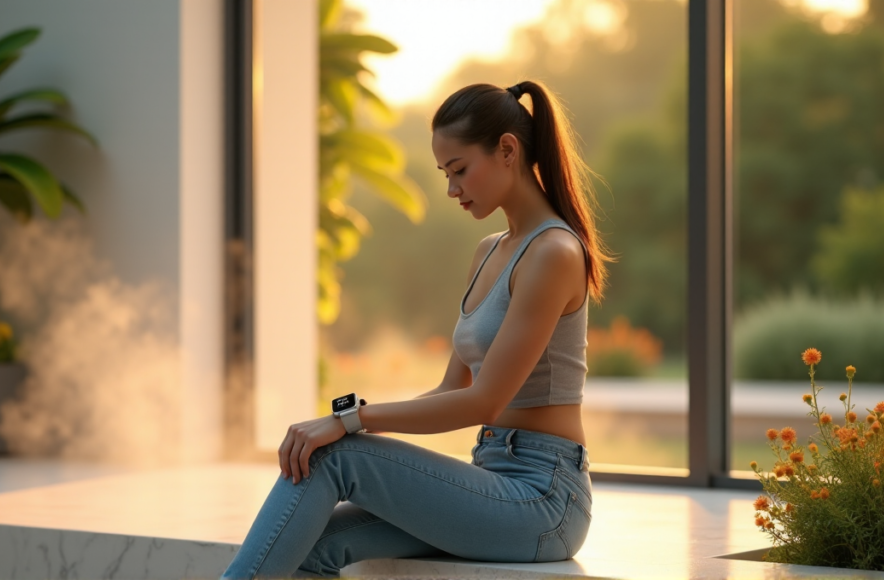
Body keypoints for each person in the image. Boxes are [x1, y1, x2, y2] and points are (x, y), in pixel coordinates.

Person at [219, 79, 614, 580]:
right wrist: (349, 421)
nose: (452, 189)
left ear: (507, 150)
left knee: (336, 456)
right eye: (445, 174)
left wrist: (348, 420)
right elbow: (452, 387)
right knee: (310, 546)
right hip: (491, 476)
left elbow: (484, 402)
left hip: (544, 500)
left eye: (460, 170)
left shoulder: (555, 252)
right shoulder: (489, 250)